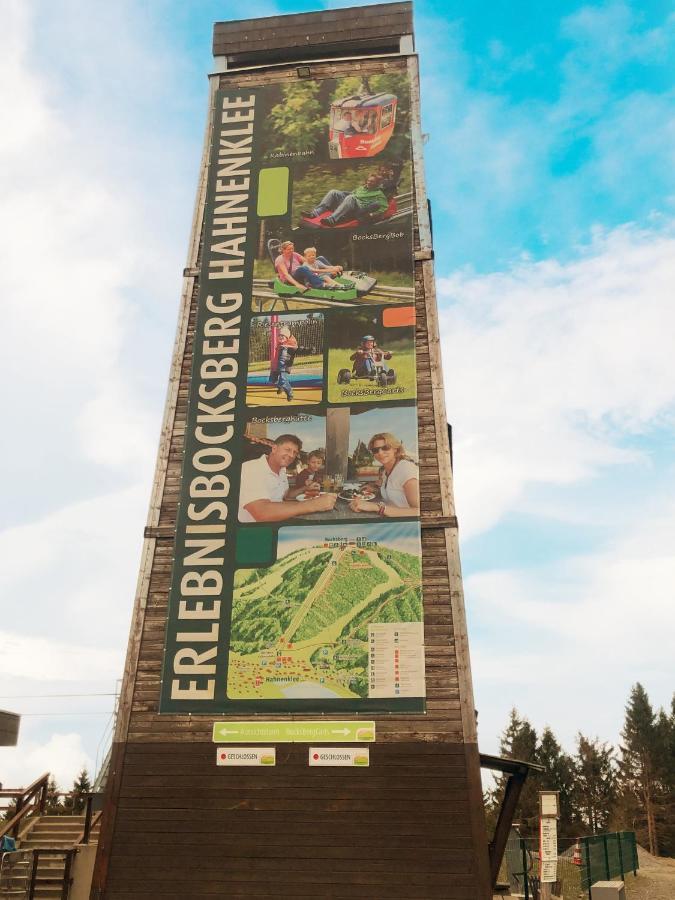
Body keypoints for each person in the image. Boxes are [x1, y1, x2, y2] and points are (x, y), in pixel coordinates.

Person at [239, 435, 337, 522]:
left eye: (294, 452)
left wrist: (306, 488)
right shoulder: (251, 468)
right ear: (274, 448)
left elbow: (286, 495)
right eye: (287, 450)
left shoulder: (281, 470)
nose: (291, 455)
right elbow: (262, 512)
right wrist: (314, 504)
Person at [349, 433, 419, 517]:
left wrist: (377, 507)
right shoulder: (385, 471)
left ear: (395, 449)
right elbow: (395, 492)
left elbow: (418, 511)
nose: (380, 453)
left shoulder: (406, 469)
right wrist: (375, 489)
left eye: (385, 448)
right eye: (375, 450)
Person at [300, 173, 389, 227]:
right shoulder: (362, 188)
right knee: (333, 192)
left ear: (376, 184)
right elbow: (351, 193)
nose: (369, 182)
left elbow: (384, 206)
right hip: (350, 202)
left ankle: (332, 219)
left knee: (351, 198)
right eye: (368, 180)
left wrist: (373, 214)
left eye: (372, 181)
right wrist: (341, 193)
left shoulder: (379, 193)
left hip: (360, 208)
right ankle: (314, 213)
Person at [274, 241, 347, 292]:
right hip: (291, 280)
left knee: (320, 258)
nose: (291, 251)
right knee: (302, 268)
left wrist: (332, 267)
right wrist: (297, 285)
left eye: (292, 248)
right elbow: (286, 275)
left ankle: (335, 272)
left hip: (301, 274)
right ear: (283, 250)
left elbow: (307, 261)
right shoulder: (280, 260)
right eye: (289, 249)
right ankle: (321, 285)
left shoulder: (294, 254)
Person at [271, 324, 297, 402]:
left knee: (283, 380)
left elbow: (299, 350)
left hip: (285, 366)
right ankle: (280, 387)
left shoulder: (290, 346)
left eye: (283, 336)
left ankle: (290, 393)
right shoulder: (280, 346)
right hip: (279, 366)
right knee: (274, 380)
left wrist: (308, 350)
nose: (281, 337)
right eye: (279, 336)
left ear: (287, 337)